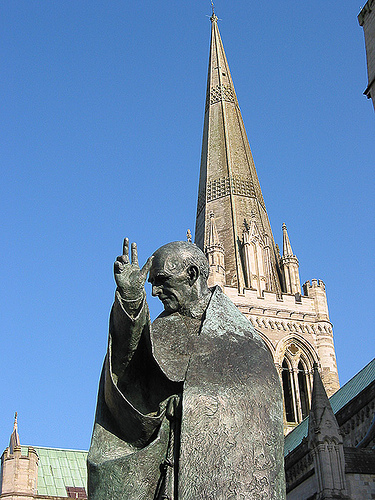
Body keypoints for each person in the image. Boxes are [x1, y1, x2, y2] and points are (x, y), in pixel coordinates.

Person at [88, 239, 286, 500]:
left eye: (161, 281)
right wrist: (131, 300)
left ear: (191, 275)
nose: (156, 292)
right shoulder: (157, 331)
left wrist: (188, 405)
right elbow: (125, 375)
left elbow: (255, 407)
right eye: (152, 285)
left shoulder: (245, 342)